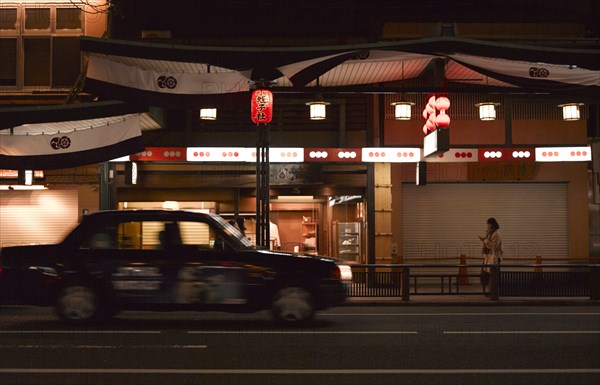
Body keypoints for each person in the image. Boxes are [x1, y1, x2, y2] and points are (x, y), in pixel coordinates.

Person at [479, 217, 503, 288]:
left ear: (492, 224)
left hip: (494, 257)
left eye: (489, 224)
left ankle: (493, 291)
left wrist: (485, 241)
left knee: (493, 275)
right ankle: (489, 290)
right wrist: (485, 239)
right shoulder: (490, 232)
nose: (488, 226)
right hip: (489, 256)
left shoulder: (496, 234)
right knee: (486, 273)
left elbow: (493, 246)